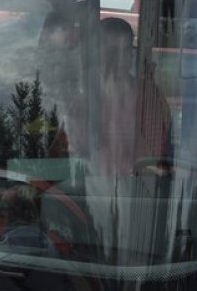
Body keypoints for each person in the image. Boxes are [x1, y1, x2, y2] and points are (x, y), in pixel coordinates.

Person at [52, 17, 171, 175]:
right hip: (89, 194)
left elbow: (152, 158)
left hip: (140, 193)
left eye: (127, 50)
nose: (121, 59)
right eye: (113, 51)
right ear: (97, 53)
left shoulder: (149, 97)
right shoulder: (82, 103)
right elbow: (62, 156)